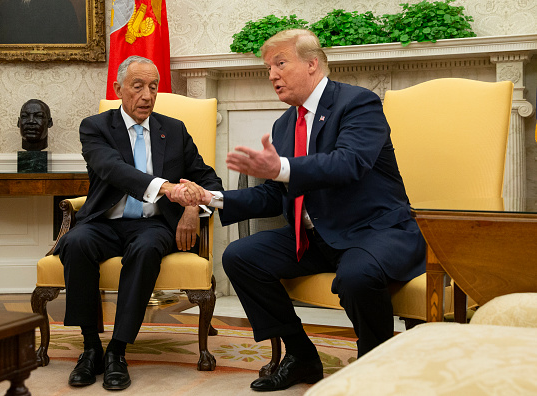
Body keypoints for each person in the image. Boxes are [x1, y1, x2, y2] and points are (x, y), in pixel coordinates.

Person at [172, 29, 426, 392]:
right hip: (319, 236)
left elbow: (348, 164)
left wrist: (280, 168)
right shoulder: (285, 124)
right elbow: (274, 197)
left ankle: (374, 364)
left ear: (312, 63)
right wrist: (211, 199)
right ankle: (302, 355)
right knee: (242, 256)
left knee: (357, 277)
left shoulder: (358, 103)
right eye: (267, 67)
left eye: (280, 63)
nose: (272, 74)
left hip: (376, 231)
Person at [55, 56, 222, 391]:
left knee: (146, 249)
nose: (147, 95)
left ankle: (117, 350)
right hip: (105, 221)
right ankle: (90, 349)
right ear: (118, 89)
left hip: (153, 225)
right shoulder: (96, 127)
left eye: (153, 86)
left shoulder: (173, 130)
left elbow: (211, 184)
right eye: (138, 86)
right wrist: (168, 187)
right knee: (75, 242)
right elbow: (114, 169)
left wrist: (193, 207)